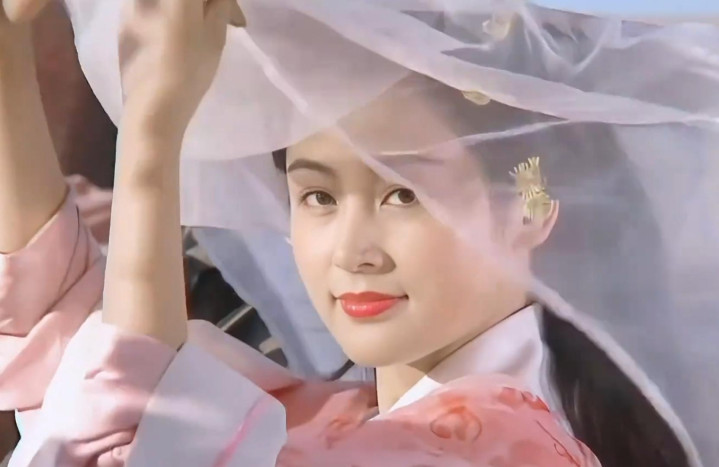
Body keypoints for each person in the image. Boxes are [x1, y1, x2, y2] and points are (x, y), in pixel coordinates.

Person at [3, 0, 718, 465]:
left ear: (529, 204)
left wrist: (153, 132)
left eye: (403, 193)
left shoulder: (503, 446)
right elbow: (63, 330)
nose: (352, 251)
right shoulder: (333, 417)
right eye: (318, 196)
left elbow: (129, 431)